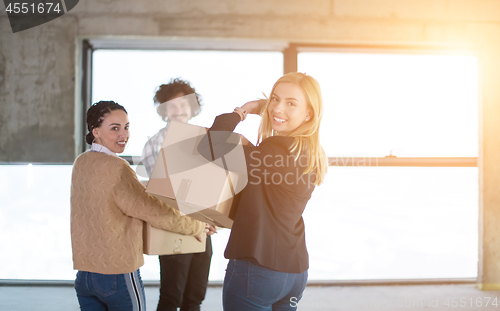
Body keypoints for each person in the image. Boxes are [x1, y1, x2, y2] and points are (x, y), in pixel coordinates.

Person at [201, 72, 327, 310]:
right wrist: (273, 111)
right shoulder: (307, 153)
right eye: (275, 100)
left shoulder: (273, 153)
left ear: (309, 113)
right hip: (294, 273)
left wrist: (242, 111)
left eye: (291, 103)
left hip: (258, 269)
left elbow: (211, 144)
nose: (278, 108)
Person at [71, 100, 207, 311]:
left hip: (85, 276)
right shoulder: (118, 168)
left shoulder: (81, 162)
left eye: (126, 127)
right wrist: (197, 226)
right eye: (114, 128)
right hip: (117, 275)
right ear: (95, 131)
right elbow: (154, 211)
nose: (123, 134)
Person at [141, 78, 215, 311]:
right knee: (172, 297)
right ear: (163, 110)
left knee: (195, 296)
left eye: (184, 104)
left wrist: (212, 219)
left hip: (203, 226)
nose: (178, 110)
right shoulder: (154, 143)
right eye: (172, 105)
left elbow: (213, 185)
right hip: (174, 224)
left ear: (192, 108)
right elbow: (160, 191)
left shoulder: (204, 139)